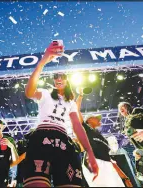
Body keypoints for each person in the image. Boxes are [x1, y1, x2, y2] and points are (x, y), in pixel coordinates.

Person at [23, 41, 98, 187]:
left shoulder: (71, 103)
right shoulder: (45, 93)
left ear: (67, 81)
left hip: (64, 139)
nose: (58, 78)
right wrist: (43, 62)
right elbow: (29, 92)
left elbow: (77, 126)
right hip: (41, 137)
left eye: (62, 76)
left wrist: (90, 152)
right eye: (56, 77)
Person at [75, 88, 126, 187]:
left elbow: (109, 157)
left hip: (108, 165)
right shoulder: (85, 129)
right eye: (96, 118)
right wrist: (81, 95)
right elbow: (76, 110)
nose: (99, 119)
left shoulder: (102, 137)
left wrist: (125, 177)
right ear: (89, 120)